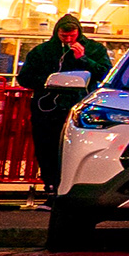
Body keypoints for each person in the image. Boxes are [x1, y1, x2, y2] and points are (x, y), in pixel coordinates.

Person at [16, 12, 113, 200]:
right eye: (64, 36)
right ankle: (51, 185)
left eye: (72, 36)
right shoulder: (42, 51)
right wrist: (49, 82)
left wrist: (83, 59)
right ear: (57, 33)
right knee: (47, 147)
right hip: (47, 108)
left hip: (79, 107)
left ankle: (74, 187)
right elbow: (24, 78)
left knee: (77, 148)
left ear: (79, 33)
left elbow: (105, 74)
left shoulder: (94, 49)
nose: (68, 39)